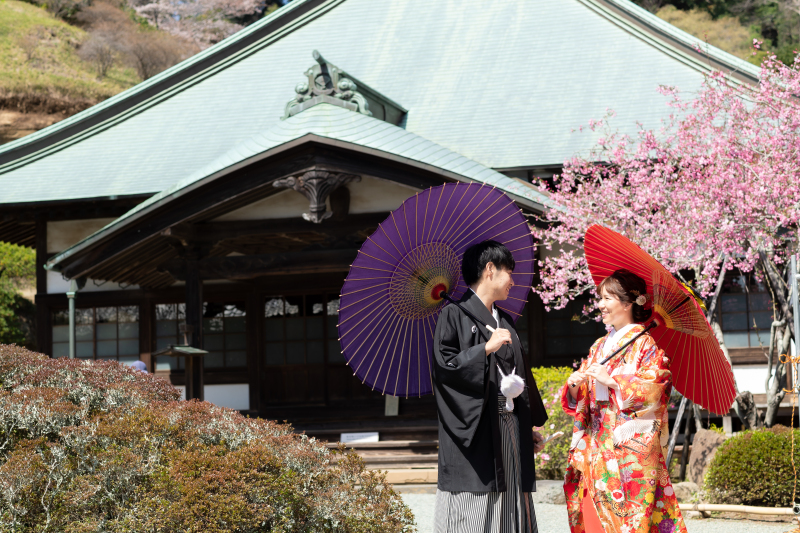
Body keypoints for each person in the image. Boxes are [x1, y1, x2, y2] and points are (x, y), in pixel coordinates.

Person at [432, 240, 548, 533]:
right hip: (478, 427)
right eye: (509, 271)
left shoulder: (504, 320)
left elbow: (518, 375)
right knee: (477, 506)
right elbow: (445, 369)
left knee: (511, 499)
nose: (512, 280)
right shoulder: (453, 315)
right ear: (490, 269)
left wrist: (526, 426)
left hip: (510, 426)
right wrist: (483, 349)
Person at [561, 269, 688, 533]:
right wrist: (575, 385)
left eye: (607, 298)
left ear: (629, 303)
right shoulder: (599, 346)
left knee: (630, 519)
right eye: (600, 298)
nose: (601, 305)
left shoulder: (646, 345)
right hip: (596, 447)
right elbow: (586, 395)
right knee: (593, 516)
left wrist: (614, 381)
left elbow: (658, 387)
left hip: (627, 451)